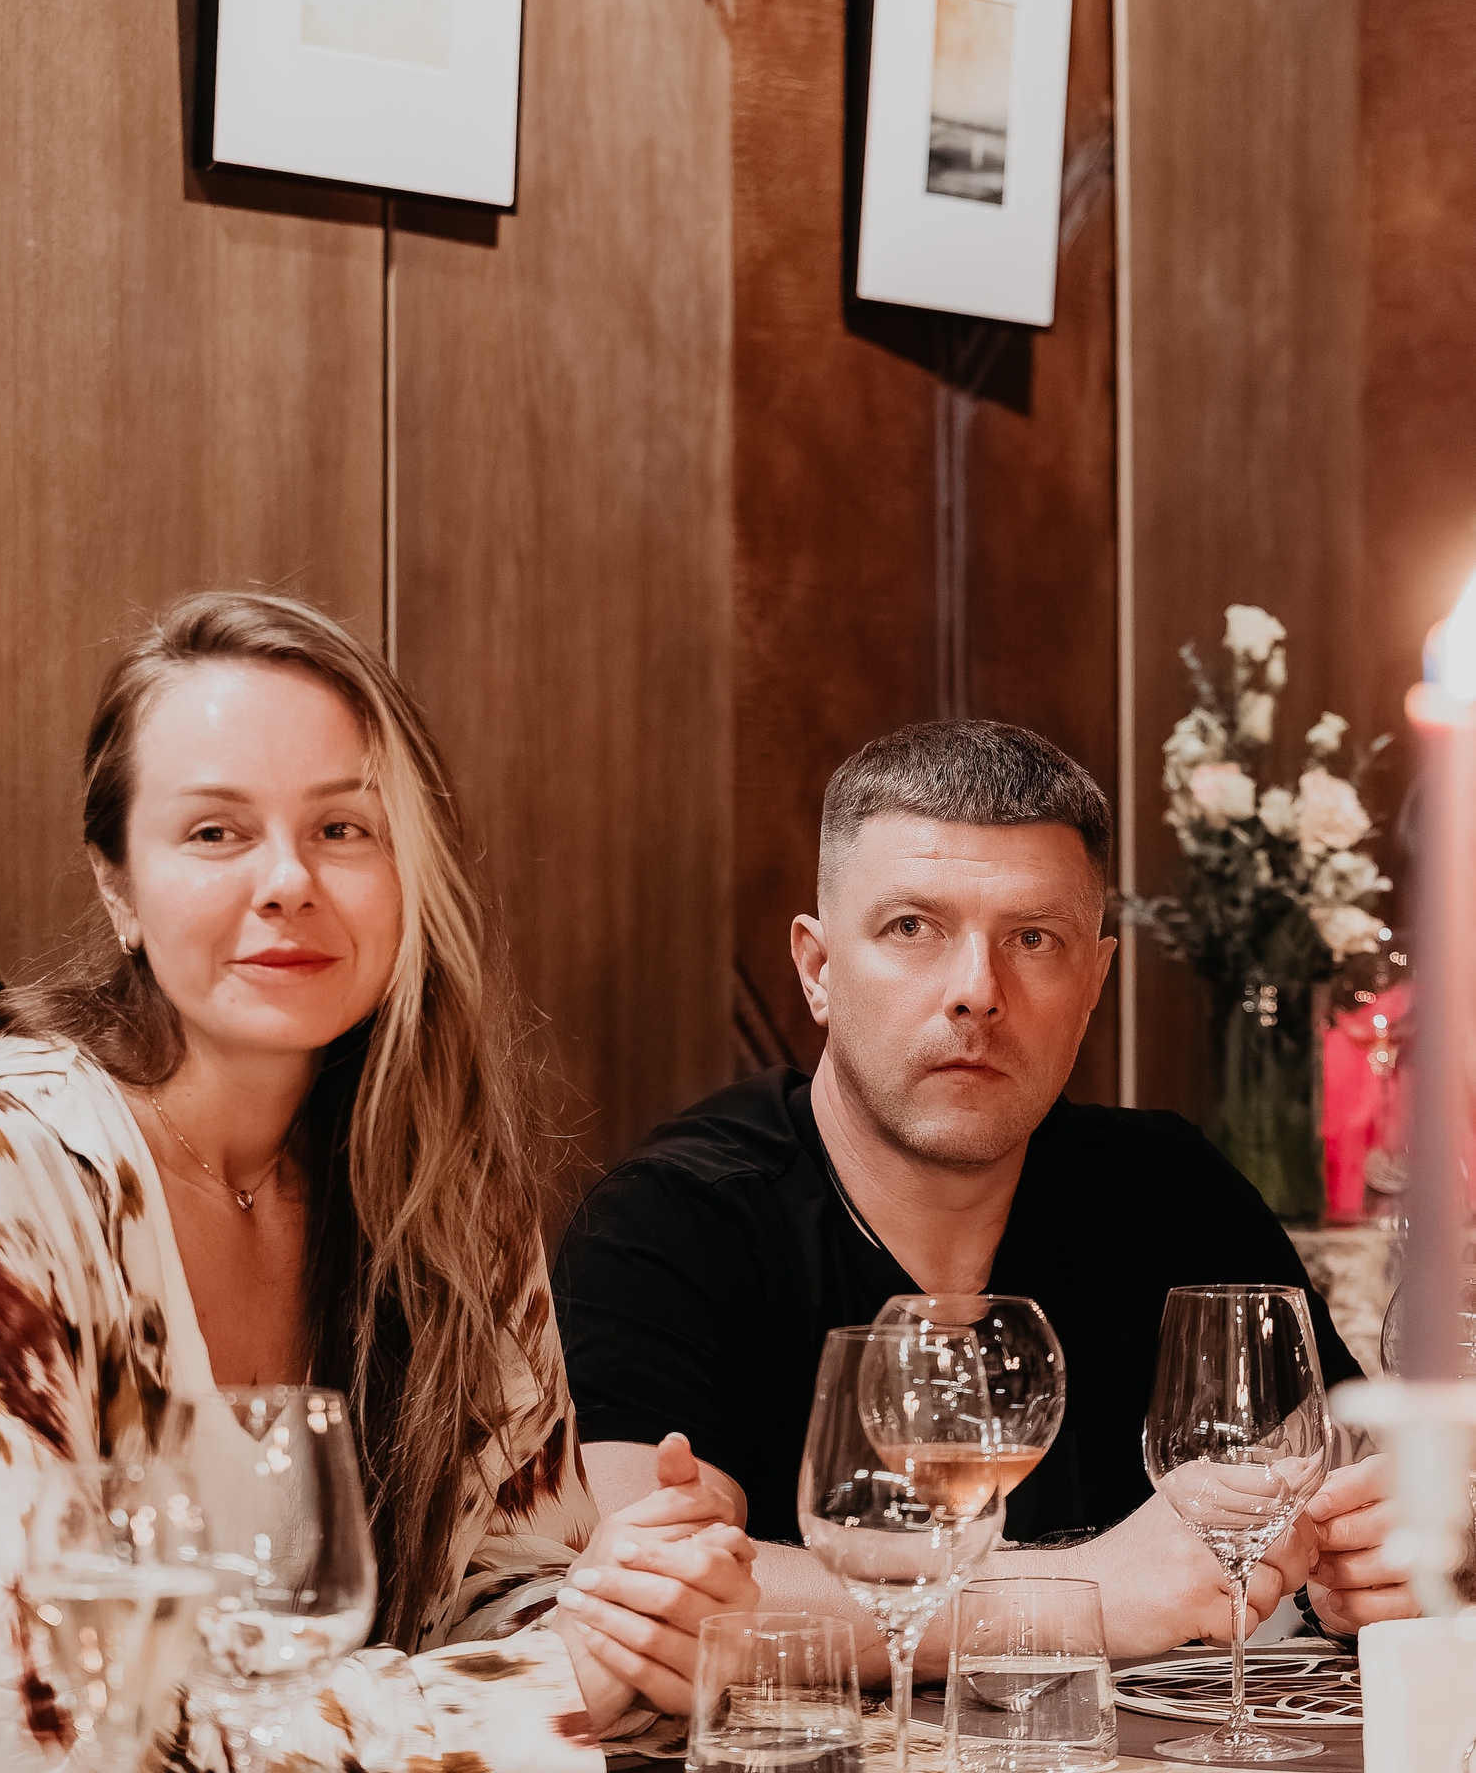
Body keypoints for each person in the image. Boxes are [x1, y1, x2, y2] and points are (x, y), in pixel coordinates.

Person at [0, 591, 754, 1773]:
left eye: (342, 829)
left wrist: (642, 1620)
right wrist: (548, 1691)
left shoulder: (444, 1182)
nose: (288, 883)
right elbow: (76, 1731)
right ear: (117, 887)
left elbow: (508, 1590)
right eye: (215, 832)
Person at [554, 719, 1413, 1680]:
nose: (976, 991)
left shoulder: (1172, 1188)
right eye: (910, 928)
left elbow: (1353, 1487)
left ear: (1093, 981)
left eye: (1032, 939)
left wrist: (1386, 1560)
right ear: (817, 969)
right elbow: (653, 1603)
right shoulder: (671, 1220)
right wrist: (1085, 1594)